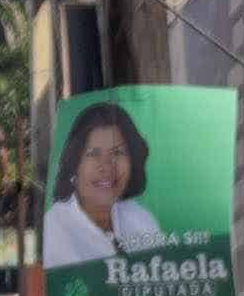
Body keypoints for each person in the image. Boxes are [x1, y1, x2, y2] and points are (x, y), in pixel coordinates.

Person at [39, 100, 164, 268]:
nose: (106, 166)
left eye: (117, 152)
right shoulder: (55, 228)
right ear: (74, 162)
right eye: (93, 153)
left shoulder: (141, 219)